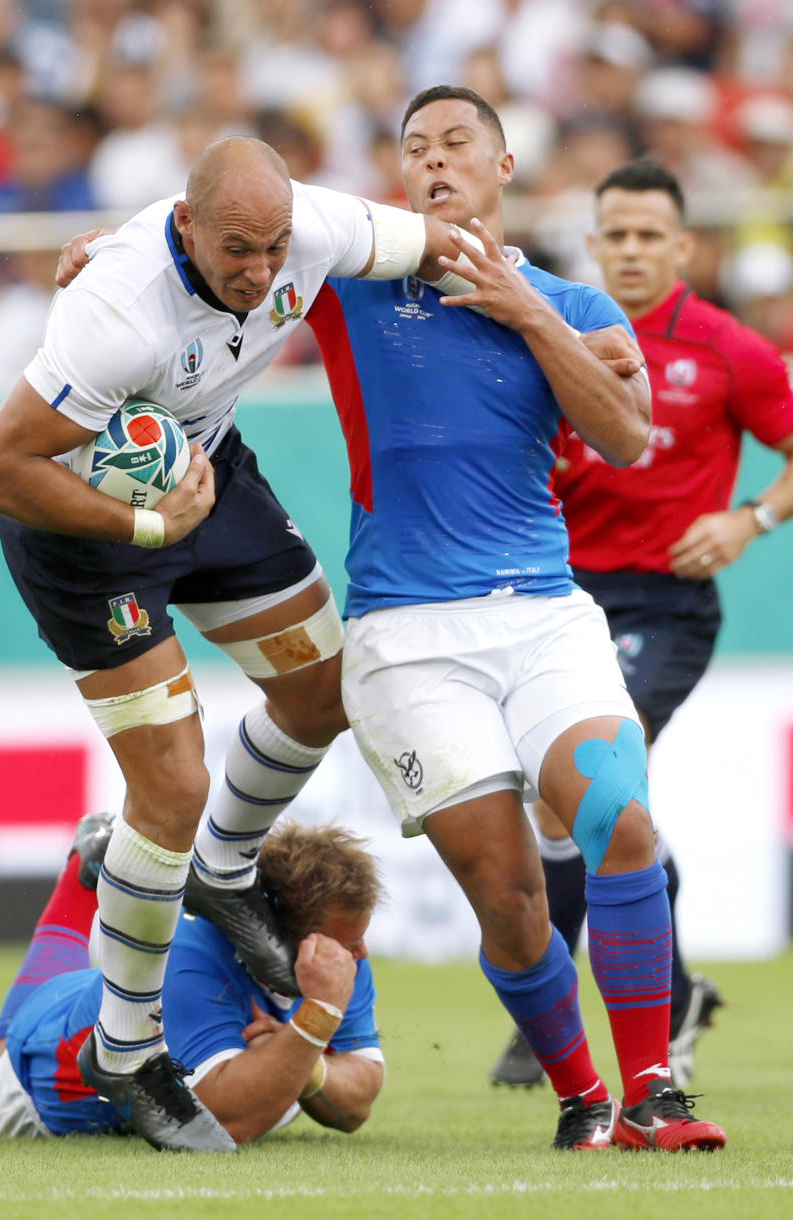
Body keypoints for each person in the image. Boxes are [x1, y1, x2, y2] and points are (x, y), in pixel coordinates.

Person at [0, 134, 496, 1152]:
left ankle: (220, 867)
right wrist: (141, 528)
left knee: (321, 690)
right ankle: (127, 1049)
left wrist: (551, 317)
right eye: (237, 251)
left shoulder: (314, 230)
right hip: (86, 532)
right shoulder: (118, 309)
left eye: (275, 248)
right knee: (170, 786)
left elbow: (448, 243)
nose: (261, 273)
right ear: (185, 224)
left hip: (204, 470)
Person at [302, 86, 727, 1152]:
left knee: (620, 817)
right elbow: (245, 231)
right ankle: (582, 1094)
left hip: (543, 612)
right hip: (406, 635)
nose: (434, 161)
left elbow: (629, 438)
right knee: (511, 893)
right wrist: (117, 252)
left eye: (457, 144)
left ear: (502, 169)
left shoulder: (578, 306)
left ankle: (653, 1092)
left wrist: (526, 309)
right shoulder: (353, 291)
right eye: (414, 149)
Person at [489, 160, 793, 1092]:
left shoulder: (727, 349)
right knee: (580, 806)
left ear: (683, 246)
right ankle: (672, 995)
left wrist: (752, 518)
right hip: (560, 598)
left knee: (592, 795)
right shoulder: (558, 327)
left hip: (665, 605)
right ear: (593, 243)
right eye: (614, 234)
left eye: (648, 235)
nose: (629, 250)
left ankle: (625, 1010)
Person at [0, 813, 385, 1145]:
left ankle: (86, 877)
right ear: (278, 936)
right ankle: (80, 880)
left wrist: (302, 1060)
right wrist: (314, 1021)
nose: (360, 954)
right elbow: (225, 1122)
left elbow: (358, 1104)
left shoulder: (338, 958)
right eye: (347, 943)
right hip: (42, 1076)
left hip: (96, 1000)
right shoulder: (188, 956)